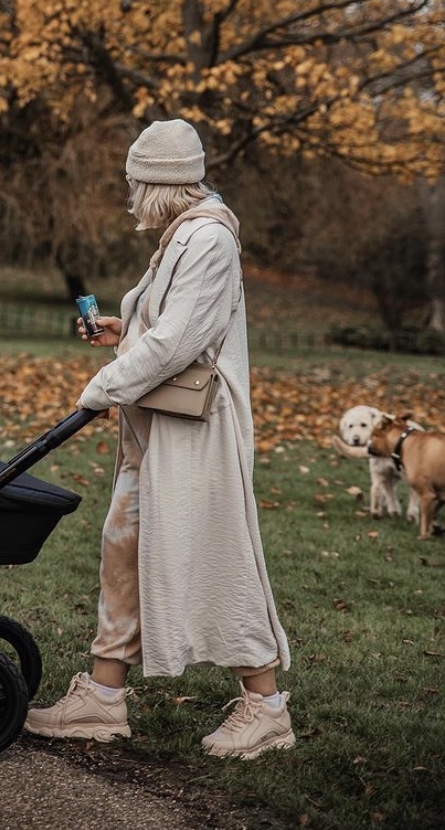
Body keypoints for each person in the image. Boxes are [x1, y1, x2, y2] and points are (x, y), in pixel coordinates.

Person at [24, 119, 294, 759]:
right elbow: (165, 326)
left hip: (197, 436)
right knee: (122, 553)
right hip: (157, 431)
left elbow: (181, 342)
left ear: (159, 183)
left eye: (134, 183)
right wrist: (125, 329)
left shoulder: (208, 240)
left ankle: (268, 708)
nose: (130, 196)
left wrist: (102, 386)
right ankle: (103, 697)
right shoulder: (181, 237)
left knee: (215, 560)